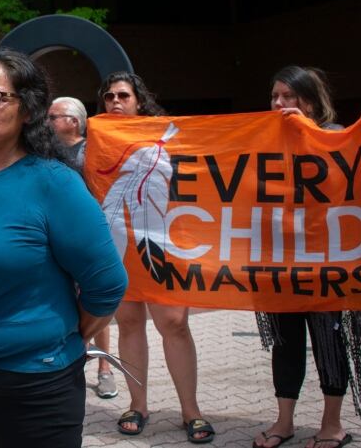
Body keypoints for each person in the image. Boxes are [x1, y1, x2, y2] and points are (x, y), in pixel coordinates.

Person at [0, 48, 128, 448]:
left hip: (35, 386)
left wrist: (65, 338)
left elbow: (107, 285)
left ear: (28, 110)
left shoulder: (53, 183)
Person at [252, 66, 361, 448]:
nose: (279, 103)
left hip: (328, 264)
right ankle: (284, 423)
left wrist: (309, 134)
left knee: (329, 341)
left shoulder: (336, 137)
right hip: (282, 262)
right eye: (274, 96)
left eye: (288, 96)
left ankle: (331, 426)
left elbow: (346, 181)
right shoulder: (267, 142)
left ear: (308, 100)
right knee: (285, 342)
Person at [97, 71, 215, 444]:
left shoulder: (170, 134)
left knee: (174, 323)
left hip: (161, 244)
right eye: (108, 97)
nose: (115, 102)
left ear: (138, 101)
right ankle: (138, 404)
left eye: (123, 96)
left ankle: (191, 411)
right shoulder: (97, 141)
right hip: (118, 247)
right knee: (129, 323)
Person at [48, 96, 118, 399]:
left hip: (90, 236)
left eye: (54, 117)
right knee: (65, 299)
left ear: (74, 122)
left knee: (95, 298)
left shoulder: (93, 150)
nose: (47, 121)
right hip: (58, 237)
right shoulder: (47, 151)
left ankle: (105, 369)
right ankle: (75, 362)